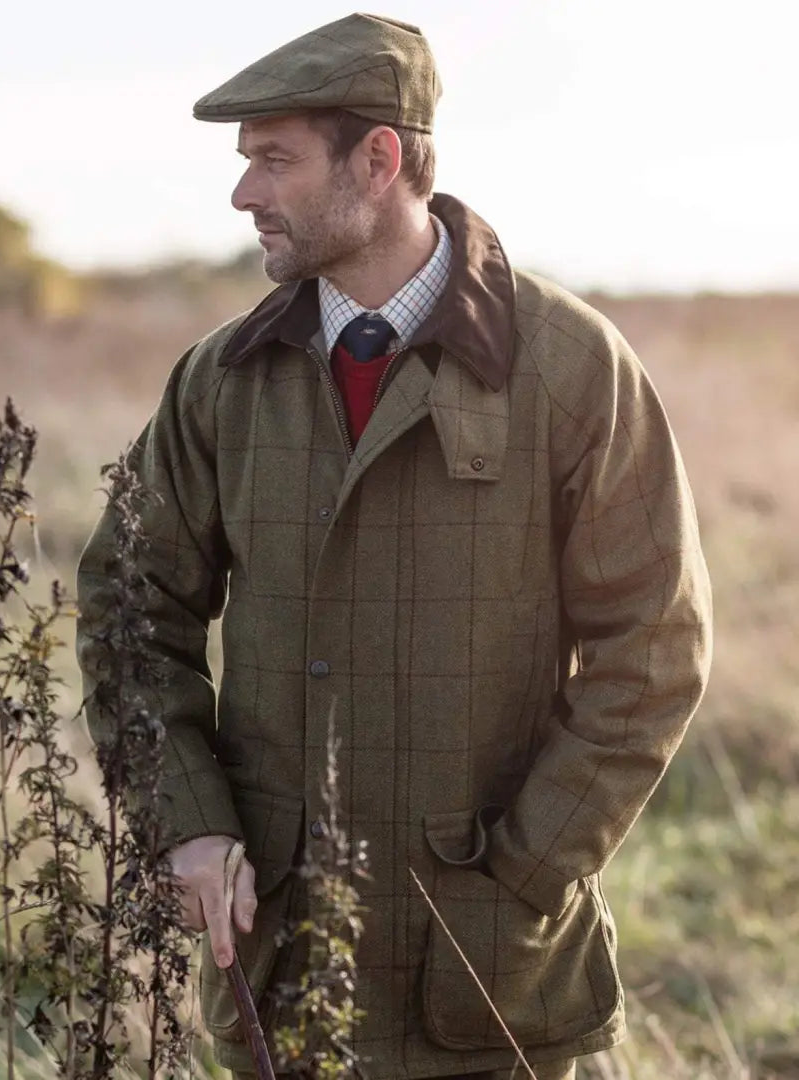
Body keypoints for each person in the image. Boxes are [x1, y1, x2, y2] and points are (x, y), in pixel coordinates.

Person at [76, 13, 712, 1080]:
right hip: (279, 959)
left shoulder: (571, 367)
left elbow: (653, 651)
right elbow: (132, 614)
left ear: (380, 160)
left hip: (496, 980)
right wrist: (187, 822)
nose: (244, 196)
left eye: (274, 160)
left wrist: (519, 875)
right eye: (245, 164)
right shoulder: (220, 381)